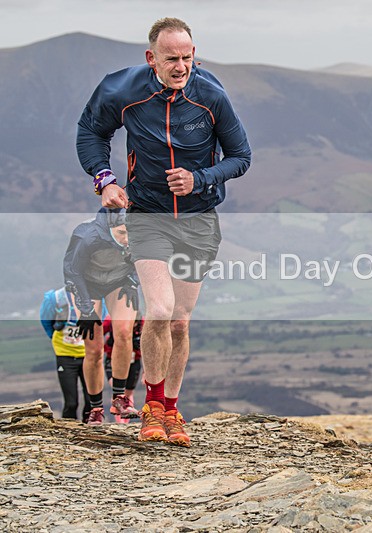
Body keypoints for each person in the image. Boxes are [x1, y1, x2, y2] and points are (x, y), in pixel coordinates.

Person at [77, 17, 251, 446]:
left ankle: (171, 409)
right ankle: (152, 407)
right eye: (171, 58)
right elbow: (91, 132)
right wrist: (105, 180)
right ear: (151, 58)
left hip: (198, 220)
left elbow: (241, 157)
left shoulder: (211, 96)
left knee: (179, 322)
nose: (181, 67)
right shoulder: (122, 90)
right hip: (148, 215)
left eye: (187, 57)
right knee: (158, 309)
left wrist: (200, 178)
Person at [63, 208, 140, 426]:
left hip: (119, 280)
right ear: (110, 228)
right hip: (86, 283)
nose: (127, 239)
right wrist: (86, 309)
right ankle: (95, 408)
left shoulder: (139, 233)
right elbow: (72, 272)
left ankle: (120, 399)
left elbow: (146, 259)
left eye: (130, 233)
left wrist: (133, 282)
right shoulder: (87, 236)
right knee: (94, 348)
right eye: (122, 233)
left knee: (124, 333)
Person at [39, 287, 91, 422]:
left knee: (91, 401)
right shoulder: (55, 298)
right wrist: (55, 339)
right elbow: (46, 321)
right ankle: (70, 428)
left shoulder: (96, 297)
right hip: (65, 355)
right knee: (71, 403)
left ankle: (90, 427)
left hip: (88, 355)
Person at [104, 316, 144, 424]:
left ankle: (125, 421)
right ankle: (119, 419)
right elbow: (99, 333)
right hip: (113, 361)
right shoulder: (110, 320)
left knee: (129, 392)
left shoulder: (143, 323)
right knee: (116, 387)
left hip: (134, 362)